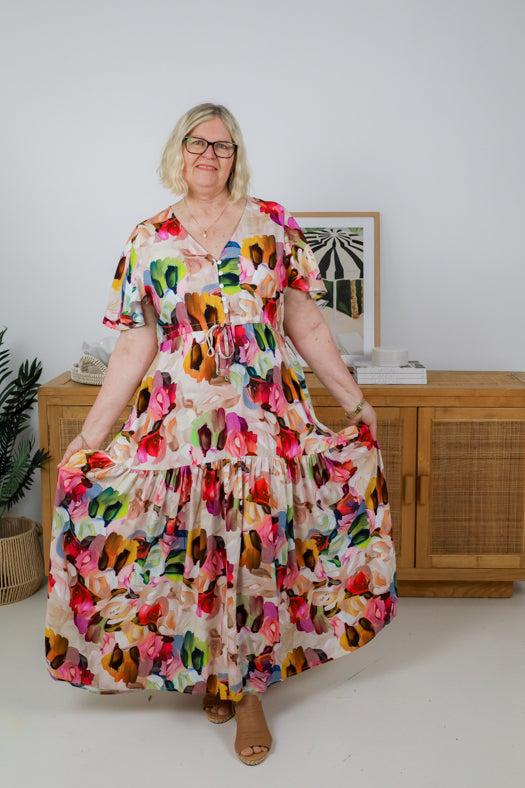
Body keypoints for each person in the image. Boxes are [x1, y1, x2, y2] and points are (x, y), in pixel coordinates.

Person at [45, 102, 397, 766]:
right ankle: (215, 669)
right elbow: (133, 345)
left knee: (253, 549)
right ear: (176, 151)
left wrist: (352, 399)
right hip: (176, 425)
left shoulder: (273, 225)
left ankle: (249, 688)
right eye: (196, 143)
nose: (208, 155)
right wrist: (92, 434)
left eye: (223, 145)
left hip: (264, 418)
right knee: (192, 548)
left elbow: (307, 325)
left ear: (237, 156)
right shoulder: (147, 238)